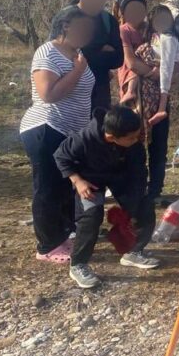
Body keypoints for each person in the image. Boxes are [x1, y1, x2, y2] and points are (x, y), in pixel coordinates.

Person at [19, 7, 96, 264]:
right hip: (46, 128)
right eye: (83, 28)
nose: (88, 33)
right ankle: (47, 246)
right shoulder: (47, 52)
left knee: (64, 187)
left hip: (70, 134)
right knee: (48, 188)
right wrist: (78, 71)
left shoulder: (77, 54)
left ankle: (63, 235)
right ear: (66, 26)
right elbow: (48, 94)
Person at [54, 105, 161, 289]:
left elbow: (138, 171)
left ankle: (133, 252)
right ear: (112, 137)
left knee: (144, 206)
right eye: (131, 138)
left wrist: (133, 203)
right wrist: (78, 181)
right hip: (90, 180)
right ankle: (78, 264)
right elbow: (61, 157)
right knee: (92, 215)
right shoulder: (84, 139)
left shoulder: (133, 142)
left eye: (137, 135)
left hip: (119, 176)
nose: (136, 140)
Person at [135, 3, 179, 200]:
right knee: (138, 141)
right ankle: (140, 186)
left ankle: (155, 189)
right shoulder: (153, 38)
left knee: (157, 144)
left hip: (158, 99)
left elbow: (166, 71)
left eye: (166, 18)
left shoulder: (169, 40)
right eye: (158, 19)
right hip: (142, 96)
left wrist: (162, 105)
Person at [71, 0, 123, 112]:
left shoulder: (109, 21)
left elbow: (118, 59)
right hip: (71, 94)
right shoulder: (66, 19)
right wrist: (102, 50)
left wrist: (87, 52)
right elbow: (63, 57)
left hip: (100, 94)